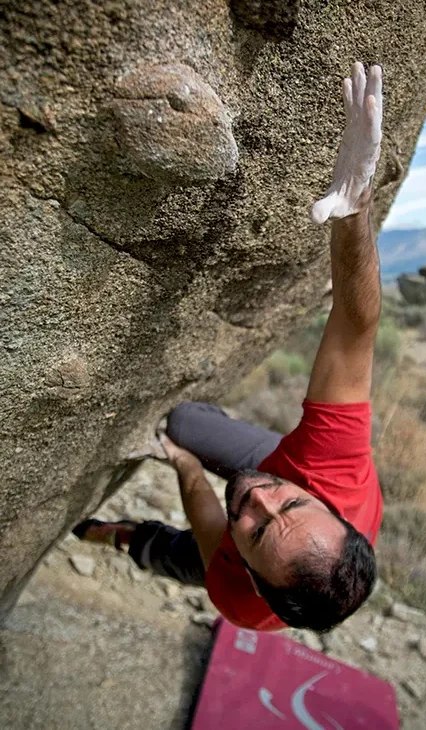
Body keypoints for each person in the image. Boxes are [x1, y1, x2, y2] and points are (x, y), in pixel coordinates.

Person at [74, 62, 385, 633]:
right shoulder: (331, 472)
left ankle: (124, 537)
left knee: (178, 552)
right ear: (326, 507)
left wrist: (187, 469)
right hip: (297, 469)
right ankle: (199, 464)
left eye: (261, 531)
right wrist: (355, 211)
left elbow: (213, 518)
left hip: (224, 558)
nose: (261, 499)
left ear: (255, 577)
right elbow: (353, 327)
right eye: (292, 505)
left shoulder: (240, 600)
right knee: (186, 420)